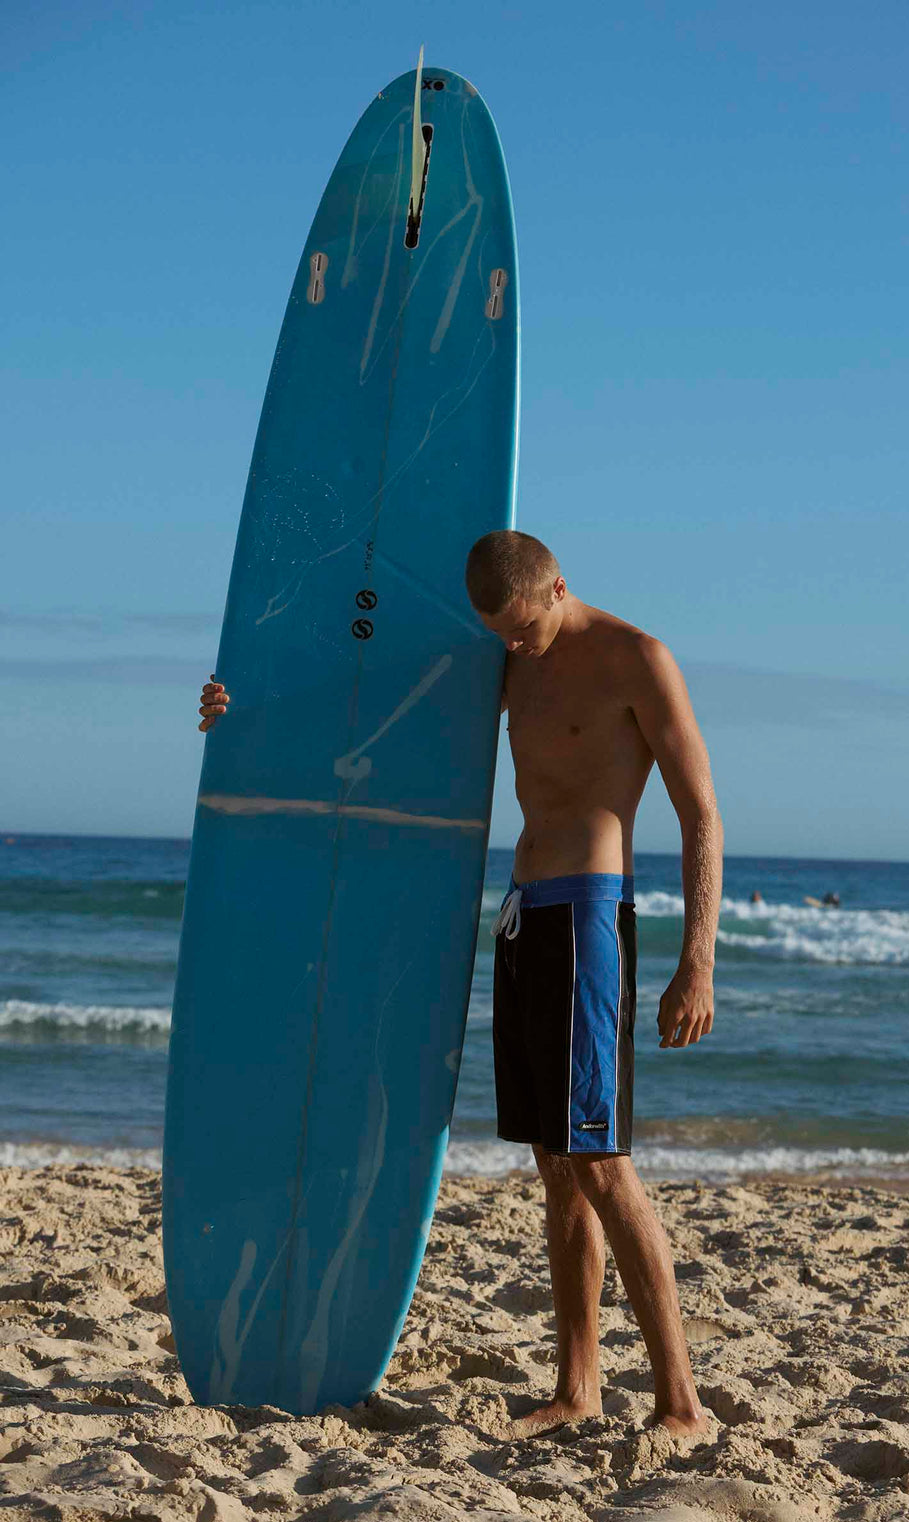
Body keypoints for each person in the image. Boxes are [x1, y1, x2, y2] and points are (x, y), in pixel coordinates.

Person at [196, 530, 723, 1445]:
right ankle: (580, 1386)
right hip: (523, 917)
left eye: (524, 628)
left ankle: (680, 1402)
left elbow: (701, 813)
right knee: (557, 1166)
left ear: (559, 585)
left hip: (589, 921)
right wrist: (238, 708)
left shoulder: (637, 658)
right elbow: (367, 711)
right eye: (503, 636)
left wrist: (698, 960)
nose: (515, 648)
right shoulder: (505, 664)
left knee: (600, 1159)